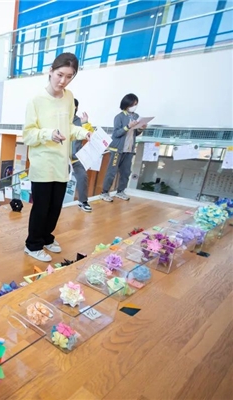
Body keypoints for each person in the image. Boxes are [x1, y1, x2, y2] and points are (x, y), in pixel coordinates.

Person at [22, 52, 92, 263]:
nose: (63, 81)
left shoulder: (69, 97)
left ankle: (46, 237)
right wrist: (48, 133)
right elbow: (28, 135)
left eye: (69, 76)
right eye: (60, 74)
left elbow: (69, 127)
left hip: (62, 163)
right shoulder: (36, 100)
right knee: (41, 207)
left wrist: (83, 133)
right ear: (50, 71)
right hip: (43, 162)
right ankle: (32, 244)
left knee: (55, 207)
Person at [100, 93, 145, 202]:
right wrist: (128, 126)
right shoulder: (119, 117)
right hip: (117, 149)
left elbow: (134, 134)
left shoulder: (136, 116)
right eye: (133, 104)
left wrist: (140, 129)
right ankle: (104, 192)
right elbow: (116, 133)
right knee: (112, 171)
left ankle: (120, 191)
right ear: (127, 104)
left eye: (136, 104)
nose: (135, 106)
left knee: (126, 172)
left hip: (129, 150)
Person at [71, 99, 94, 212]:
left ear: (76, 108)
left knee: (83, 177)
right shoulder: (60, 119)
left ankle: (83, 201)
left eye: (73, 106)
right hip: (62, 158)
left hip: (76, 158)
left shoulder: (79, 121)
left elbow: (90, 134)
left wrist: (85, 123)